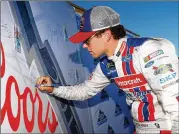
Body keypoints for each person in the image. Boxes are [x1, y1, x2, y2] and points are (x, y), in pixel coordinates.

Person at [36, 6, 179, 134]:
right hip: (141, 128)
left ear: (106, 35)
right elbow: (85, 91)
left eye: (87, 40)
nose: (84, 46)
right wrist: (53, 88)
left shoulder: (147, 50)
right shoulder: (106, 65)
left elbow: (174, 100)